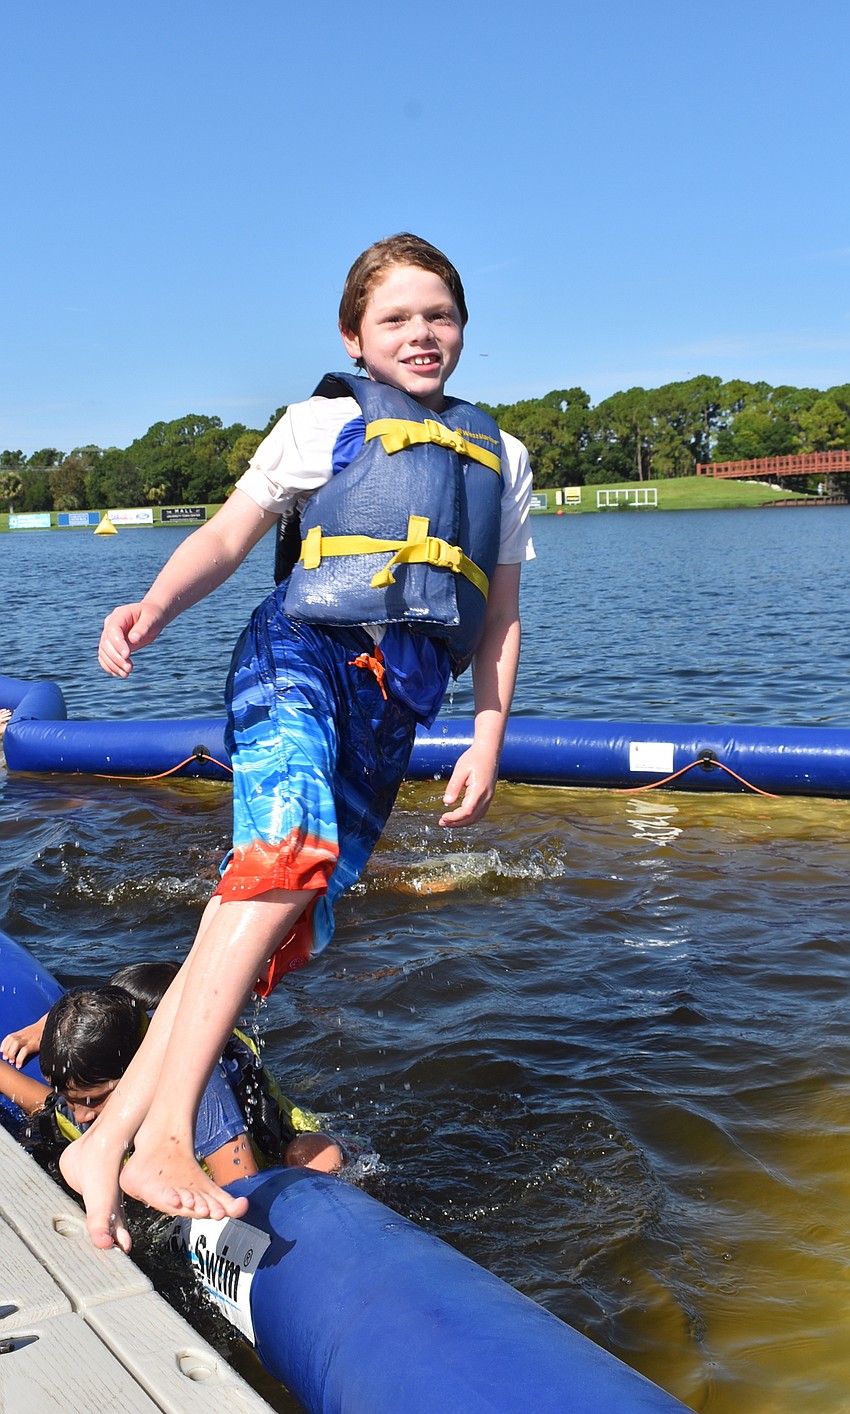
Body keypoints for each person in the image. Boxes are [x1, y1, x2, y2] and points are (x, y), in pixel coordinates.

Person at [61, 232, 534, 1250]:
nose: (421, 334)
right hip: (299, 658)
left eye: (439, 314)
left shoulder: (504, 457)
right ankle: (164, 1141)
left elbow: (497, 617)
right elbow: (231, 537)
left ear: (464, 327)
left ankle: (101, 1147)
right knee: (280, 860)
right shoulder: (325, 421)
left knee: (262, 921)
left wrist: (488, 734)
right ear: (353, 335)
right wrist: (154, 603)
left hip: (390, 711)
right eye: (396, 318)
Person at [0, 980, 344, 1180]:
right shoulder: (87, 1099)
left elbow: (241, 1188)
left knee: (310, 1155)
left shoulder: (200, 1092)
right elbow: (45, 1105)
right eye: (71, 1100)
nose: (80, 1115)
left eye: (92, 1101)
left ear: (139, 1072)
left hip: (276, 1151)